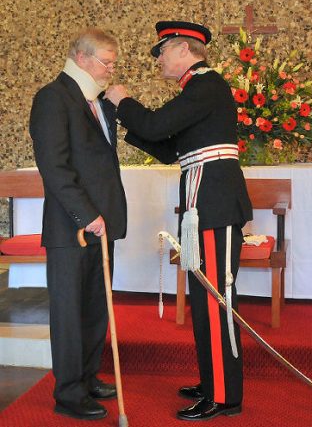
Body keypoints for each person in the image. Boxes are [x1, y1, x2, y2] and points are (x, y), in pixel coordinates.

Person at [106, 21, 253, 421]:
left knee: (215, 302)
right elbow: (170, 149)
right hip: (206, 206)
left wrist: (123, 102)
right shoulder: (199, 90)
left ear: (184, 49)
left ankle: (223, 395)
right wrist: (127, 119)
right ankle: (213, 382)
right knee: (205, 304)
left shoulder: (206, 84)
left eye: (163, 52)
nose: (159, 59)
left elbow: (154, 125)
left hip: (215, 206)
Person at [29, 28, 127, 421]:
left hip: (101, 224)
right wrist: (87, 215)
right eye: (106, 62)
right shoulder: (53, 98)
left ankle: (87, 377)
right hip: (73, 226)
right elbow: (54, 166)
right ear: (81, 58)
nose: (110, 70)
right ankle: (68, 391)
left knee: (94, 306)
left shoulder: (97, 103)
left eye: (112, 62)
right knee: (70, 312)